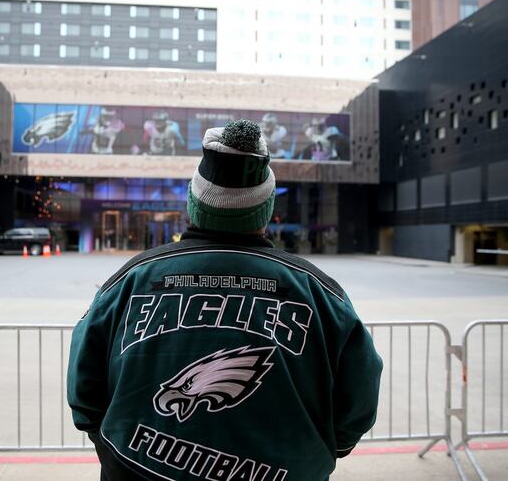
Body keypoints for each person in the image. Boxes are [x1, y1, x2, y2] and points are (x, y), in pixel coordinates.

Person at [67, 119, 382, 480]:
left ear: (193, 202)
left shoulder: (131, 280)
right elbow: (357, 404)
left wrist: (114, 450)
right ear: (266, 210)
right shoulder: (319, 293)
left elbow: (84, 392)